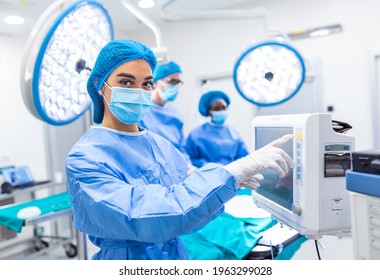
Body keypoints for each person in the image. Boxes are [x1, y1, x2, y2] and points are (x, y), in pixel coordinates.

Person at [65, 39, 295, 260]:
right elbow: (156, 214)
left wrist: (226, 180)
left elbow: (184, 188)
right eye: (126, 82)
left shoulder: (160, 145)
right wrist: (234, 171)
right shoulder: (85, 158)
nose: (139, 91)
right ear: (99, 86)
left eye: (146, 83)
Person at [139, 60, 193, 170]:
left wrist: (187, 165)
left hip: (178, 169)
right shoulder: (141, 111)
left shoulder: (176, 114)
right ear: (155, 82)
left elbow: (181, 148)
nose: (176, 86)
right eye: (172, 81)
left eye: (178, 83)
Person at [185, 90, 249, 168]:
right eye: (216, 108)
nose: (221, 111)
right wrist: (206, 166)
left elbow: (244, 158)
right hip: (207, 176)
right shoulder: (197, 133)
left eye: (223, 108)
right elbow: (189, 158)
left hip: (232, 175)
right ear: (208, 111)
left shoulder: (233, 133)